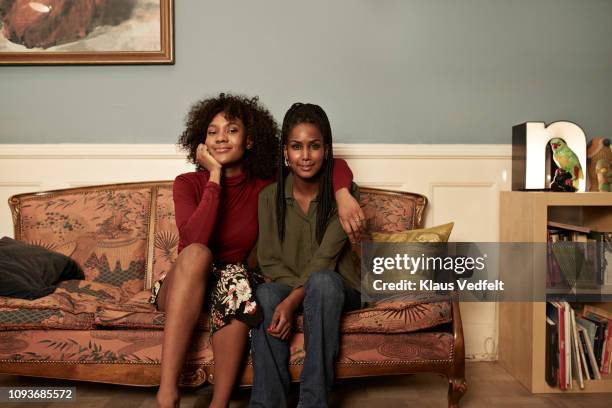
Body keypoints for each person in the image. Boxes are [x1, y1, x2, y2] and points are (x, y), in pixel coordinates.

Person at [152, 93, 364, 408]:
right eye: (212, 131)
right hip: (188, 281)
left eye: (232, 130)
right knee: (204, 257)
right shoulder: (189, 183)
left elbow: (326, 164)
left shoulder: (264, 186)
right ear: (201, 141)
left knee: (246, 285)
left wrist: (344, 191)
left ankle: (223, 404)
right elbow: (193, 241)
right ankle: (168, 393)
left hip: (236, 283)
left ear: (250, 141)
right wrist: (214, 178)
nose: (221, 137)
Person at [251, 103, 362, 408]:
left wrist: (292, 300)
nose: (305, 155)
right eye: (296, 146)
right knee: (266, 293)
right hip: (291, 285)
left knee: (323, 282)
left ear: (326, 150)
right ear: (285, 151)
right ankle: (266, 403)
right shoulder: (269, 198)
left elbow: (326, 259)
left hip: (339, 288)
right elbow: (270, 261)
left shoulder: (345, 197)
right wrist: (291, 296)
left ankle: (313, 403)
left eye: (314, 146)